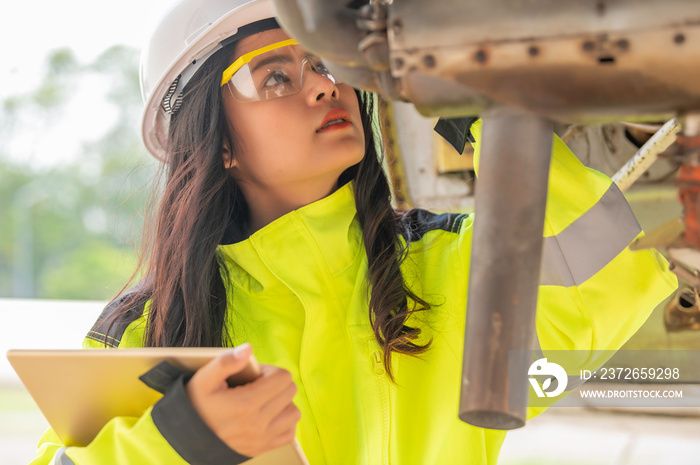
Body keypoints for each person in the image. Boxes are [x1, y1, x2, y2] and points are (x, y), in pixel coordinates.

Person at [30, 0, 678, 464]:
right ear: (218, 140)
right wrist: (174, 443)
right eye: (274, 76)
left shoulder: (447, 267)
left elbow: (606, 280)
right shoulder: (151, 330)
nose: (322, 86)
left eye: (325, 64)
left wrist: (476, 108)